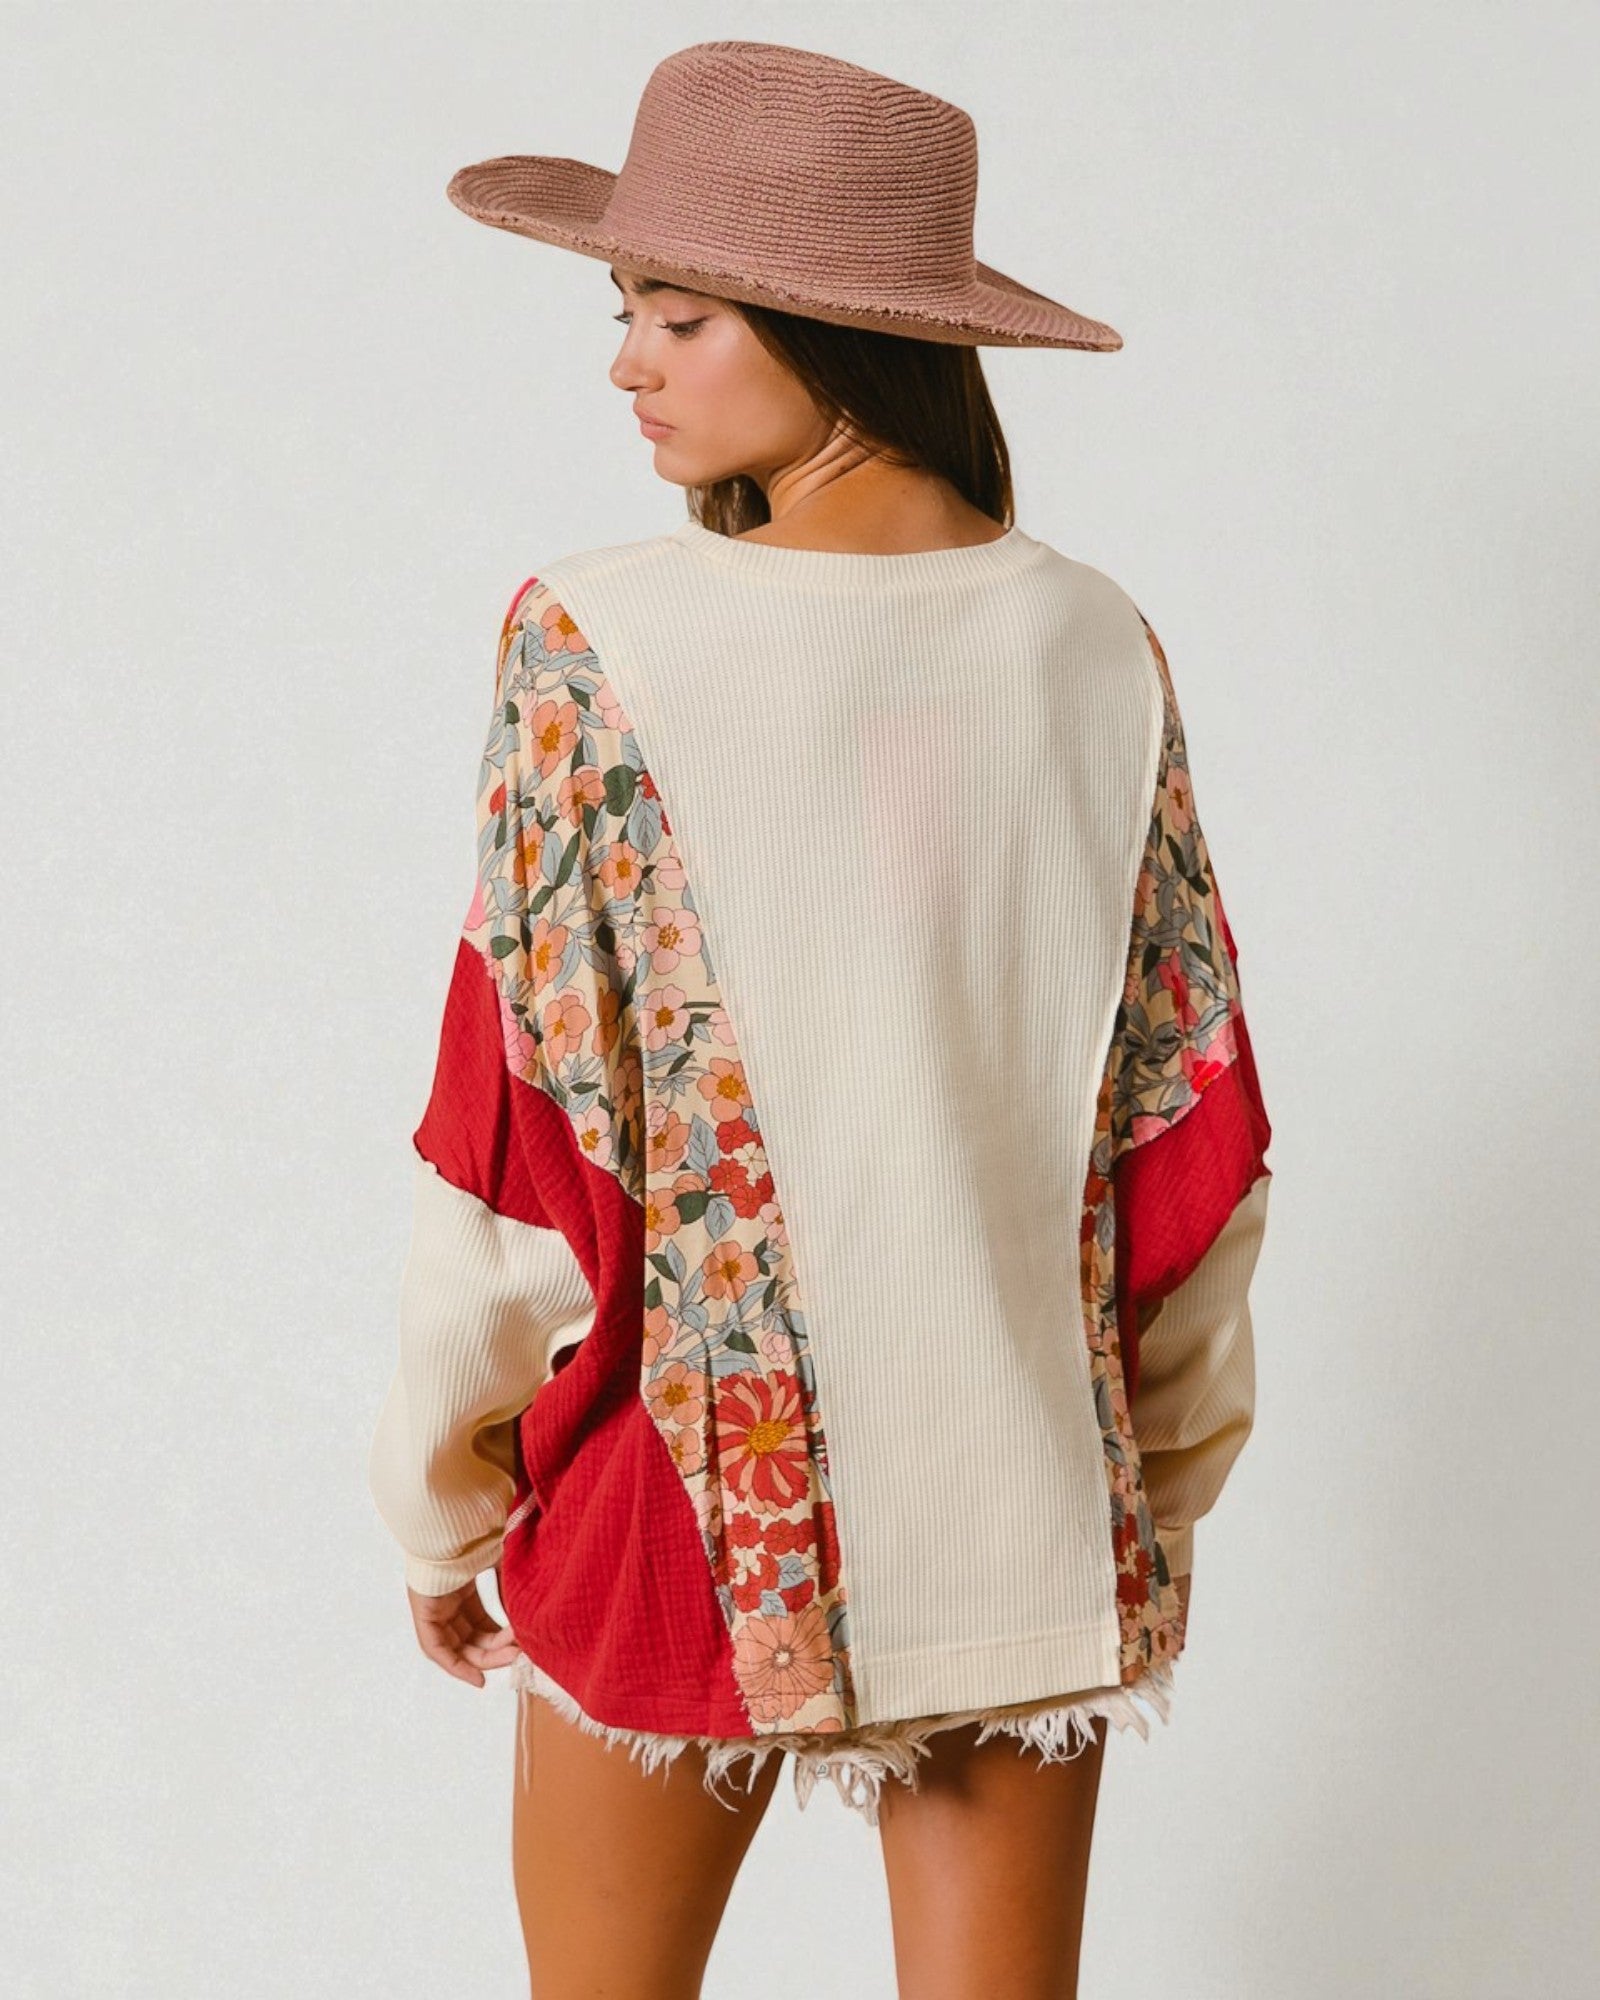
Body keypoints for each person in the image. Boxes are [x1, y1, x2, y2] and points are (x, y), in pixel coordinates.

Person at [367, 39, 1273, 1999]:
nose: (626, 362)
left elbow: (518, 1140)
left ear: (833, 331)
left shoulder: (592, 637)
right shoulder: (1094, 645)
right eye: (625, 313)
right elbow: (1184, 1134)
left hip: (671, 1506)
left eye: (673, 315)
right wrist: (1155, 1487)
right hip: (1023, 1493)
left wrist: (444, 1495)